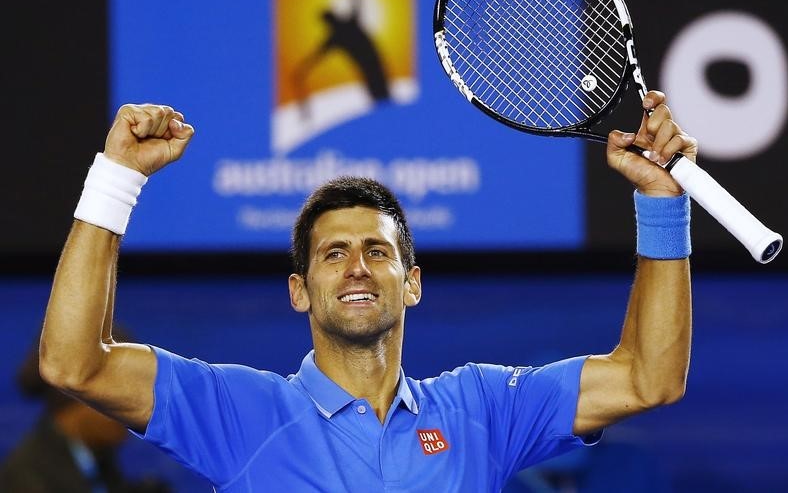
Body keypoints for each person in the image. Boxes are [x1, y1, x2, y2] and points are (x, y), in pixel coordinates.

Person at [40, 91, 696, 492]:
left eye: (377, 250)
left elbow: (649, 377)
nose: (356, 265)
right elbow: (75, 362)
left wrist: (661, 198)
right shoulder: (239, 411)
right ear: (299, 290)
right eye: (333, 252)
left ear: (412, 283)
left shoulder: (484, 408)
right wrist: (117, 179)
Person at [0, 337, 170, 492]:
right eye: (121, 398)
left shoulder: (98, 458)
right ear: (81, 399)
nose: (133, 410)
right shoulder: (26, 476)